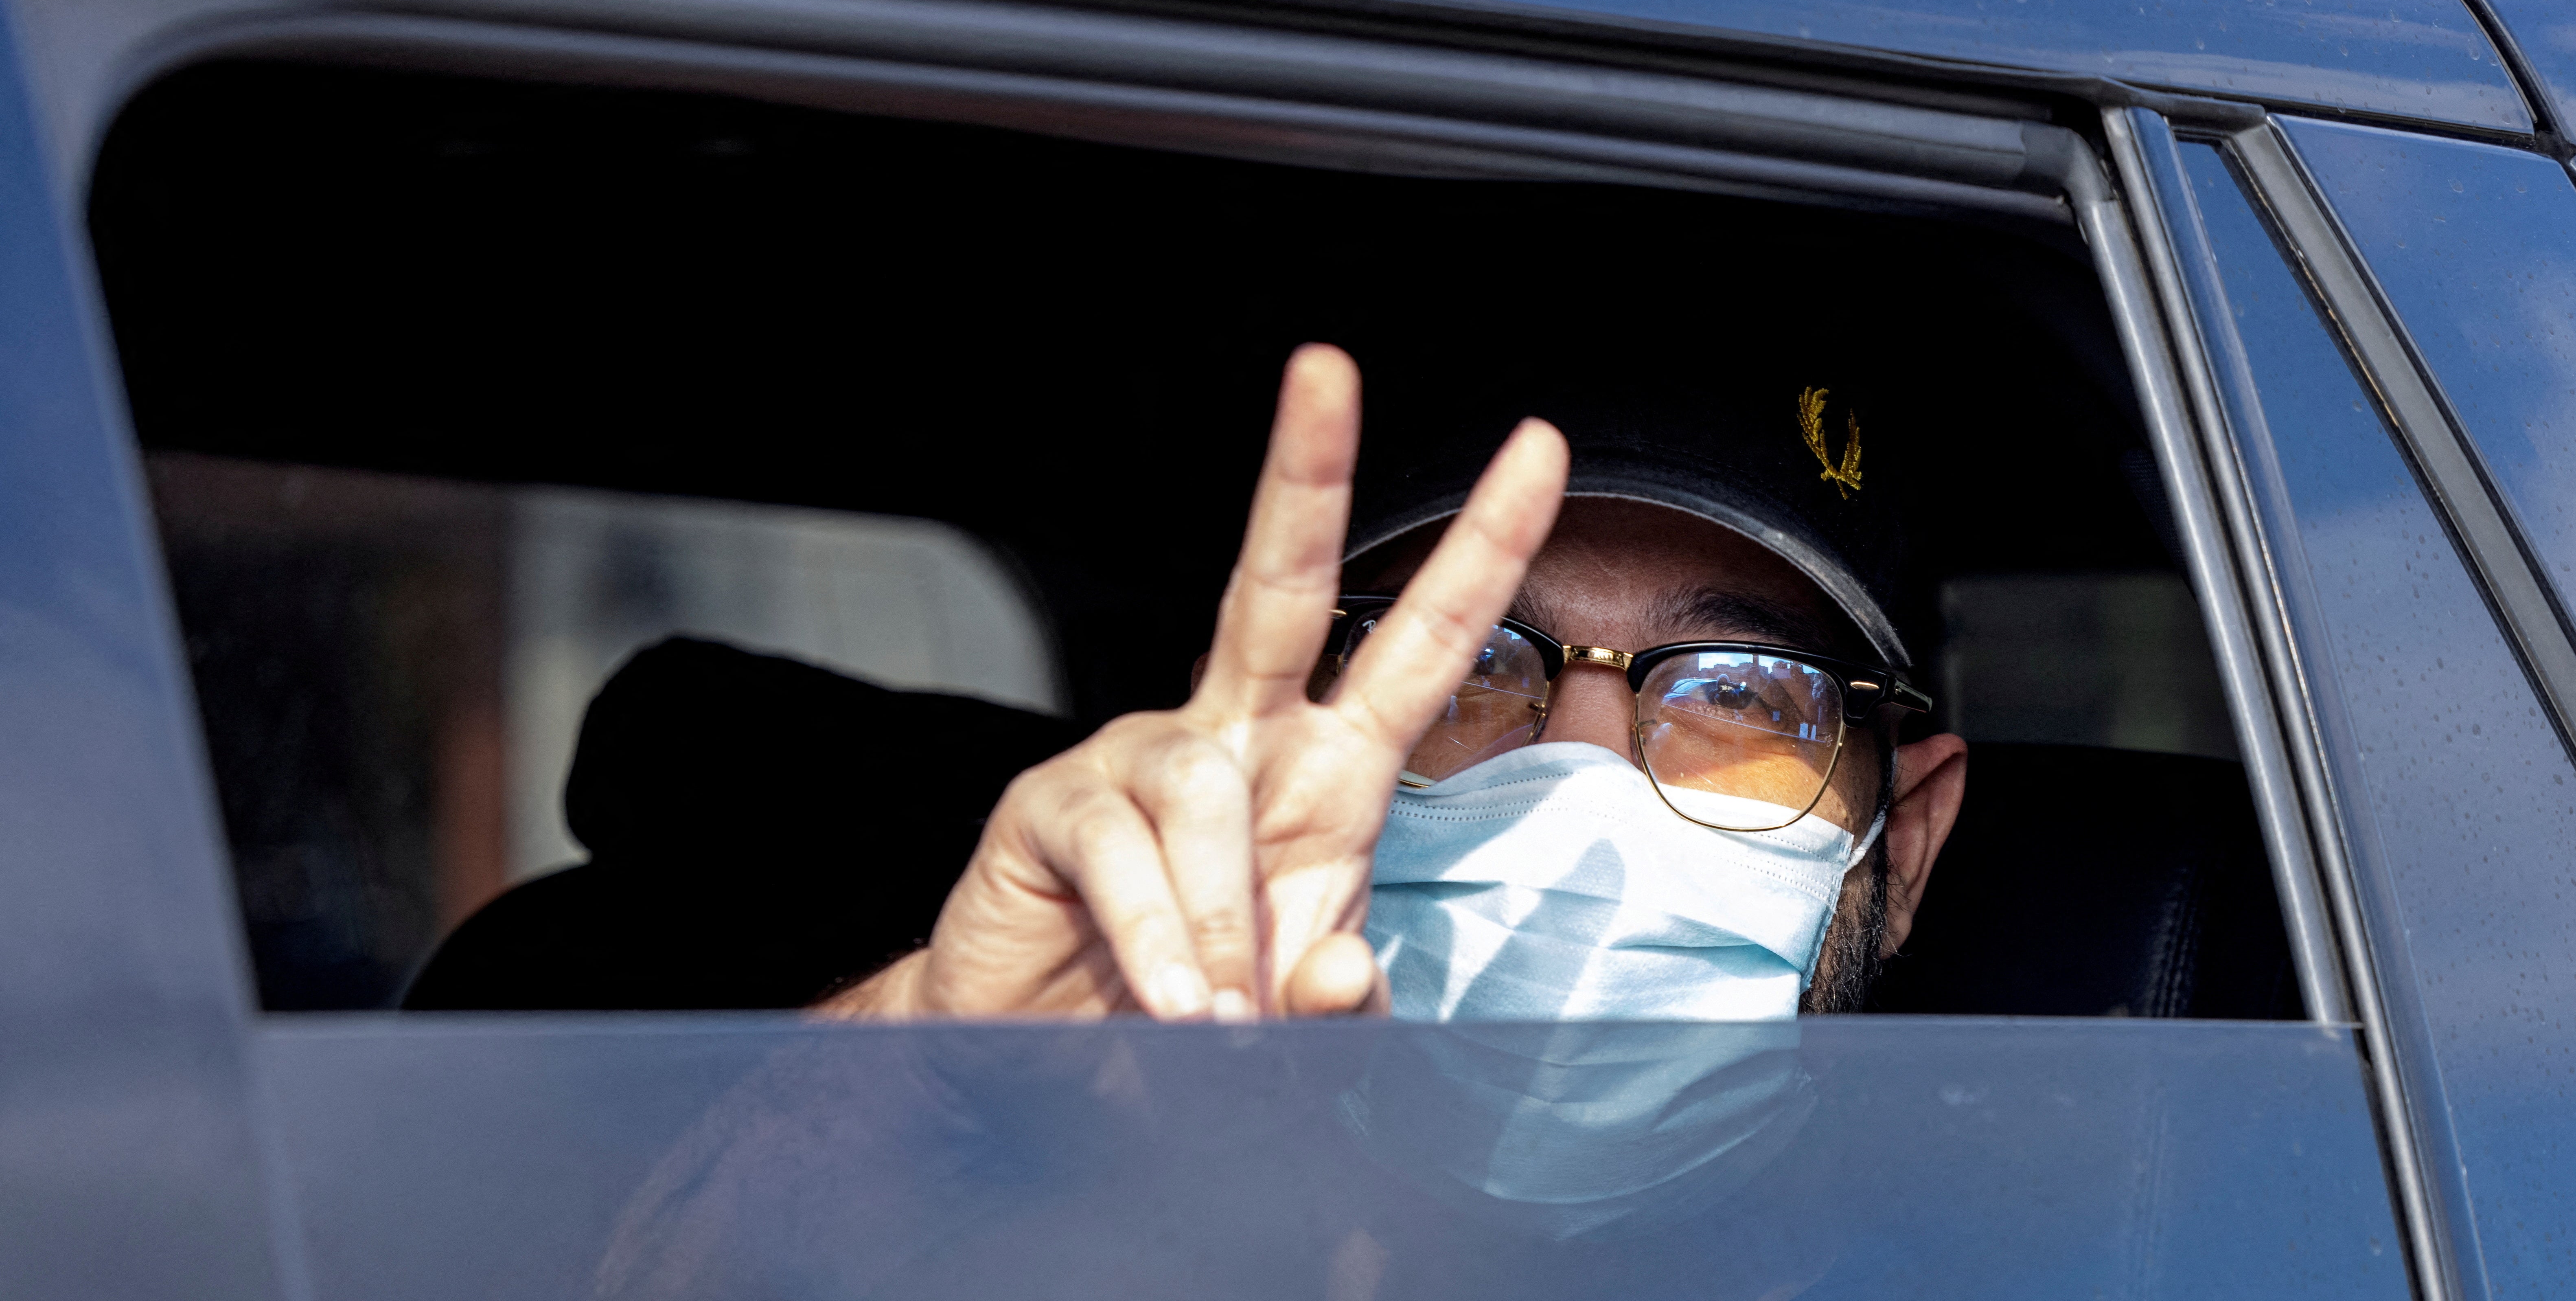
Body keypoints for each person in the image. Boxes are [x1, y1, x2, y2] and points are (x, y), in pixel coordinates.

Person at [817, 344, 1969, 1027]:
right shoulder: (1055, 1192)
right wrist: (928, 1074)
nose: (1577, 782)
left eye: (1743, 694)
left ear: (1903, 845)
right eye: (1468, 662)